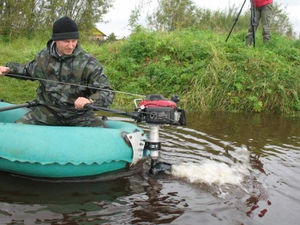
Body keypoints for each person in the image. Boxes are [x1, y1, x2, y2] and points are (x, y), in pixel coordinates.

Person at [0, 16, 114, 127]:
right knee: (18, 128)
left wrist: (90, 100)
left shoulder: (89, 62)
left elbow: (106, 92)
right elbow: (28, 71)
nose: (71, 46)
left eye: (74, 41)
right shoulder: (43, 56)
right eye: (66, 41)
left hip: (79, 115)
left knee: (106, 134)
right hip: (48, 111)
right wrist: (9, 70)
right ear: (55, 40)